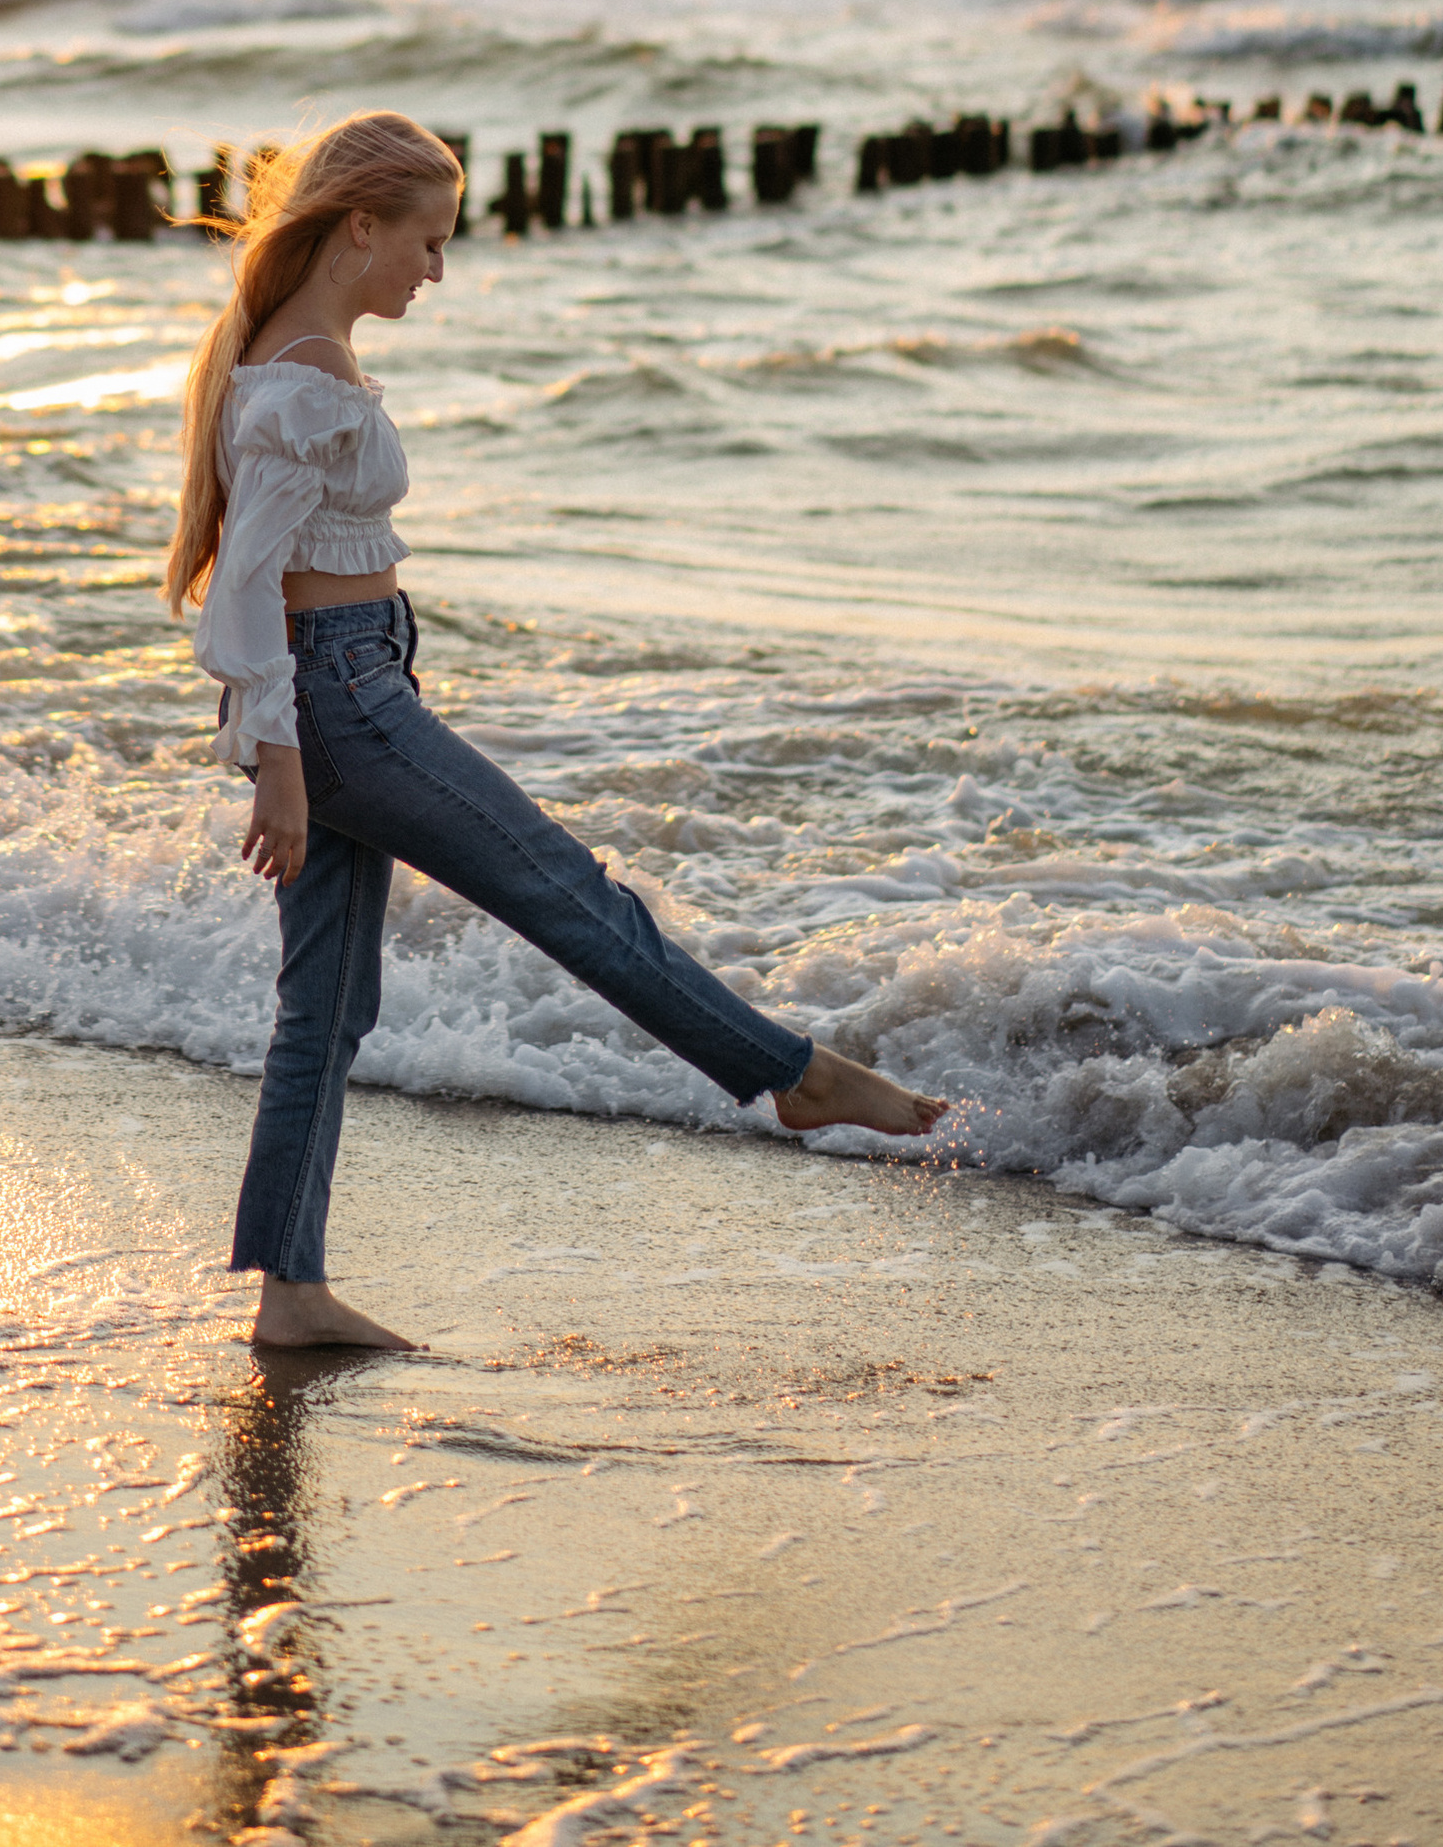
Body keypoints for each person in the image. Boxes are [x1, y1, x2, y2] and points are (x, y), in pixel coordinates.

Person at [167, 108, 950, 1350]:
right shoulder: (303, 377)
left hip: (345, 692)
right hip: (343, 705)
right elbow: (246, 590)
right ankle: (793, 1075)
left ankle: (290, 1290)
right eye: (427, 241)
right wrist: (281, 765)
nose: (437, 270)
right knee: (573, 895)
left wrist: (290, 743)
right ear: (359, 226)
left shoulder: (291, 354)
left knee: (326, 1002)